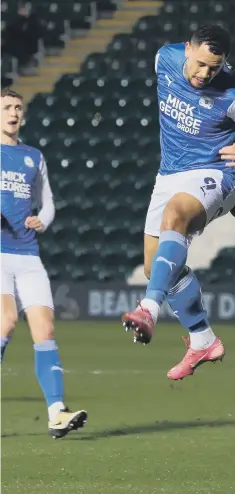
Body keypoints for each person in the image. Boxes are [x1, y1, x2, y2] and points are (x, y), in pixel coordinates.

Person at [122, 25, 235, 381]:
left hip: (215, 173)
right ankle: (203, 338)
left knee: (175, 215)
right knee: (156, 269)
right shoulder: (163, 59)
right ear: (187, 49)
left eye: (214, 68)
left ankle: (149, 308)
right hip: (168, 174)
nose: (204, 74)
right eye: (199, 64)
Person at [0, 88, 87, 438]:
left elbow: (47, 202)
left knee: (46, 330)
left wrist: (42, 221)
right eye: (7, 107)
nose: (14, 112)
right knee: (5, 321)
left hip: (28, 254)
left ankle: (56, 413)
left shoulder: (33, 156)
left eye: (18, 107)